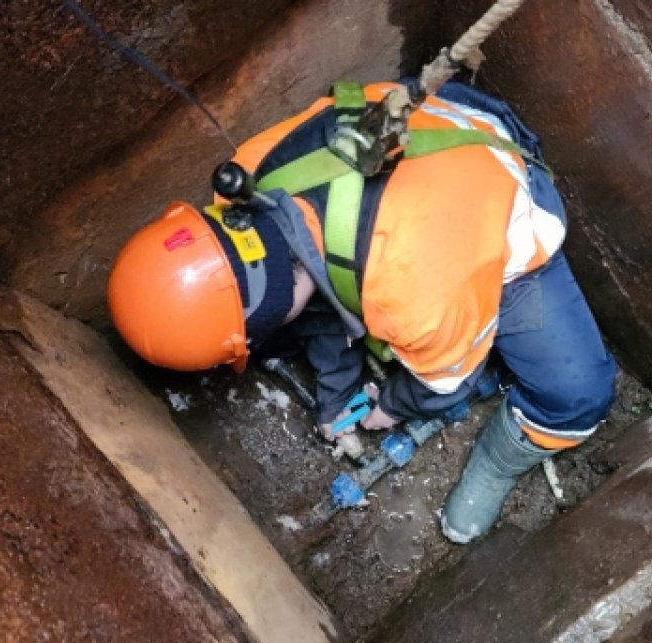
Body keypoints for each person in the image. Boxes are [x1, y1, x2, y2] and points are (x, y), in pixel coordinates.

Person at [107, 80, 617, 544]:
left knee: (577, 395)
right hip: (428, 134)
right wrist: (336, 396)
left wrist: (391, 404)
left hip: (500, 203)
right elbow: (312, 281)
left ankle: (501, 460)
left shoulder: (415, 298)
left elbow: (449, 381)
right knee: (312, 294)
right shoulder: (241, 180)